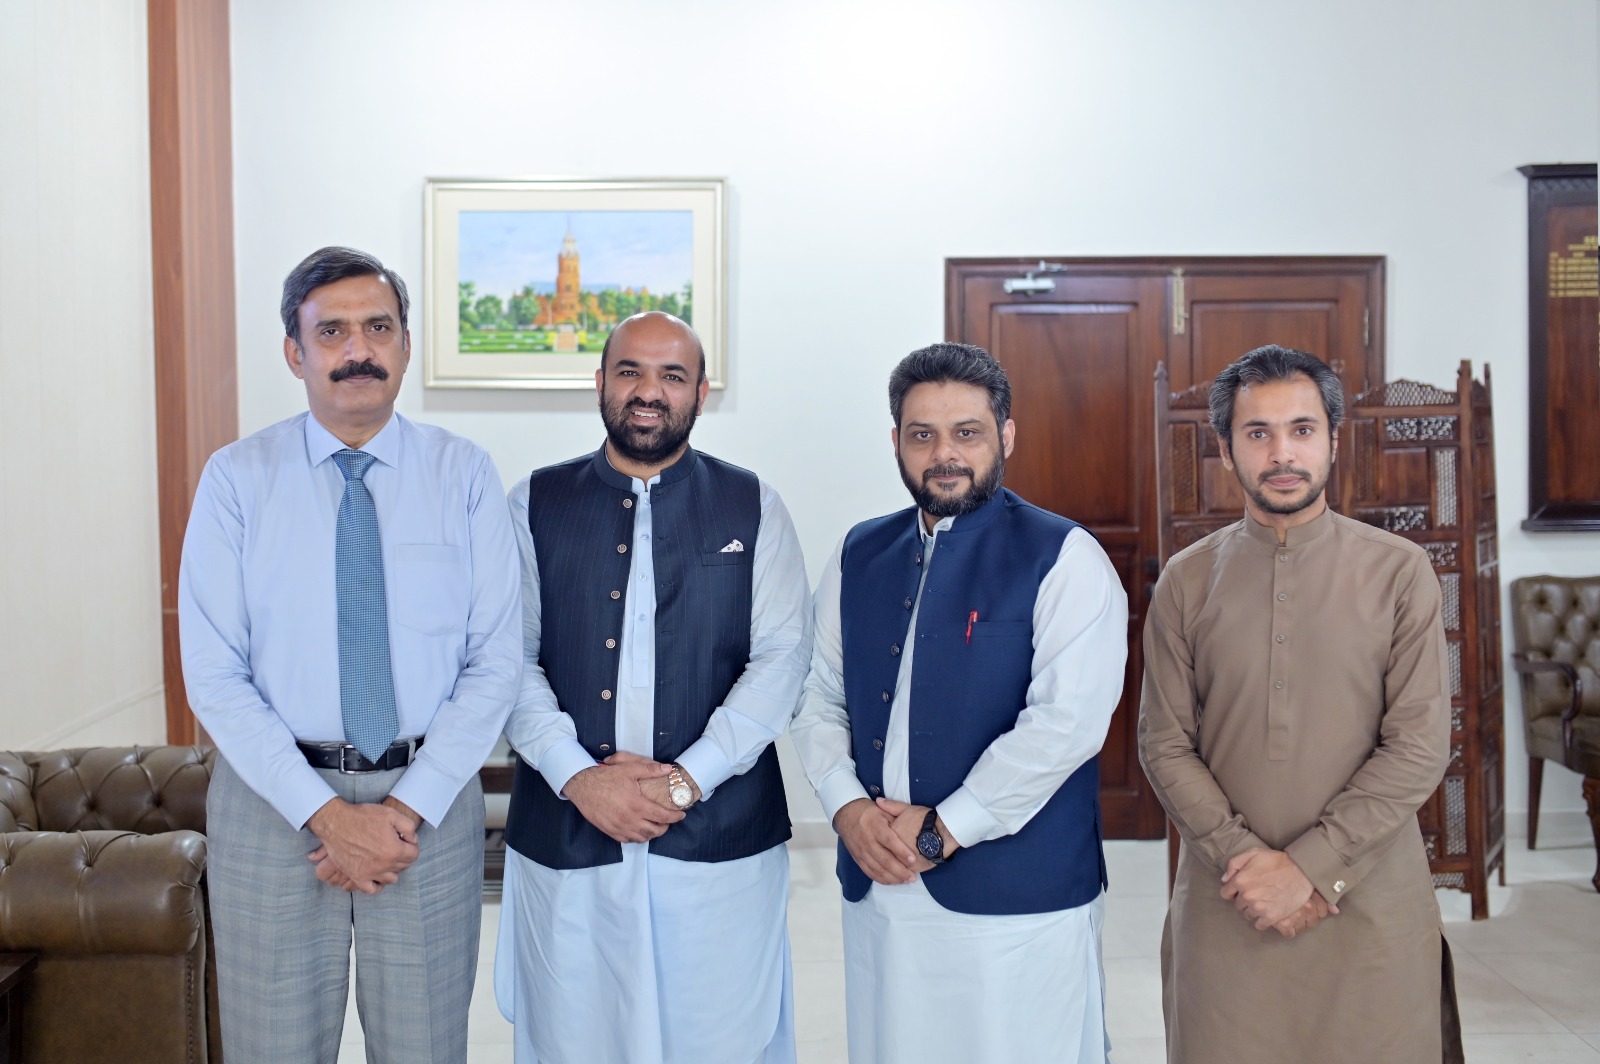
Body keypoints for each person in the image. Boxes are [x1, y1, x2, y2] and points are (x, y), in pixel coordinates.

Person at [178, 246, 522, 1064]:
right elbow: (215, 676)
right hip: (272, 805)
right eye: (331, 331)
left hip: (427, 808)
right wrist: (327, 816)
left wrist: (403, 812)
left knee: (424, 1048)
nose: (357, 350)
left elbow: (495, 661)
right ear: (295, 353)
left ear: (406, 345)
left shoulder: (464, 475)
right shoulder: (236, 480)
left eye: (378, 327)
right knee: (273, 1049)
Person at [790, 342, 1128, 1063]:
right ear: (896, 442)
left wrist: (944, 830)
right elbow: (818, 692)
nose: (944, 453)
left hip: (1018, 901)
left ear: (1006, 435)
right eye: (923, 434)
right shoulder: (857, 553)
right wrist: (847, 809)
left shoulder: (1065, 557)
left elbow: (1066, 725)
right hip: (881, 880)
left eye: (966, 432)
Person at [494, 311, 811, 1064]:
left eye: (672, 375)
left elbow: (782, 660)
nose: (649, 391)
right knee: (575, 1035)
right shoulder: (532, 502)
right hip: (568, 828)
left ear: (701, 391)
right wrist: (579, 778)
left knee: (720, 1037)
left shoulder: (753, 505)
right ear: (599, 381)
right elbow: (506, 660)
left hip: (719, 832)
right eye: (630, 371)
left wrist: (685, 781)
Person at [1138, 344, 1463, 1063]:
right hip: (1230, 902)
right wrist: (1250, 867)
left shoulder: (1400, 571)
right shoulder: (1187, 583)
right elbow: (1164, 745)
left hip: (1369, 904)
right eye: (1258, 432)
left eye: (1302, 429)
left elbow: (1417, 747)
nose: (1282, 453)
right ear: (1226, 448)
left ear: (1334, 441)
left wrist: (1311, 870)